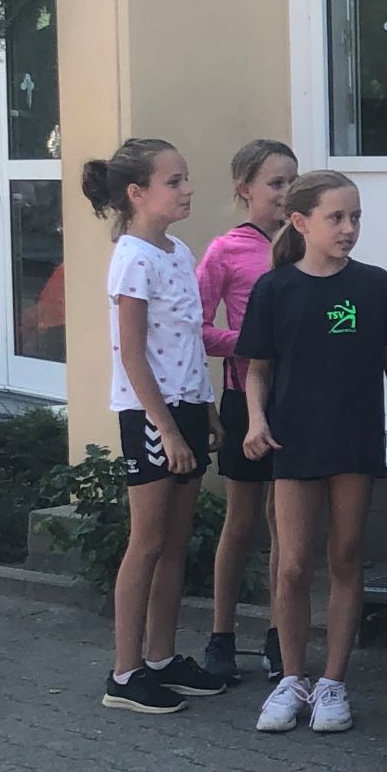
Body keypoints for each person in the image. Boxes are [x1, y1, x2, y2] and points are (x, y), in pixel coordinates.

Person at [239, 171, 387, 736]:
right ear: (300, 222)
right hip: (293, 440)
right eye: (336, 218)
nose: (349, 228)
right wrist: (256, 421)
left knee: (346, 557)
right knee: (293, 565)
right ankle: (290, 677)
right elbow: (257, 370)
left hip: (355, 439)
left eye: (355, 217)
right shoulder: (274, 289)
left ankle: (333, 682)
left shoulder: (372, 284)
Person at [83, 139, 226, 717]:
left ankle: (163, 658)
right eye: (174, 181)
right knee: (146, 542)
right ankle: (125, 672)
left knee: (174, 540)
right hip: (150, 414)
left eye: (186, 178)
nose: (187, 189)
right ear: (137, 193)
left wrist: (206, 408)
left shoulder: (177, 250)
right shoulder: (133, 258)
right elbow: (133, 353)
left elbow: (187, 339)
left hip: (187, 407)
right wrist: (165, 428)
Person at [196, 138, 297, 687]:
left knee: (288, 523)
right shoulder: (226, 250)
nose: (285, 193)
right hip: (244, 398)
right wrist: (251, 342)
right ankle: (222, 635)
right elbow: (196, 327)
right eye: (275, 183)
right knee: (242, 521)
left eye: (292, 182)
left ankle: (282, 635)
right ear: (245, 189)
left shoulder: (306, 243)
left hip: (298, 400)